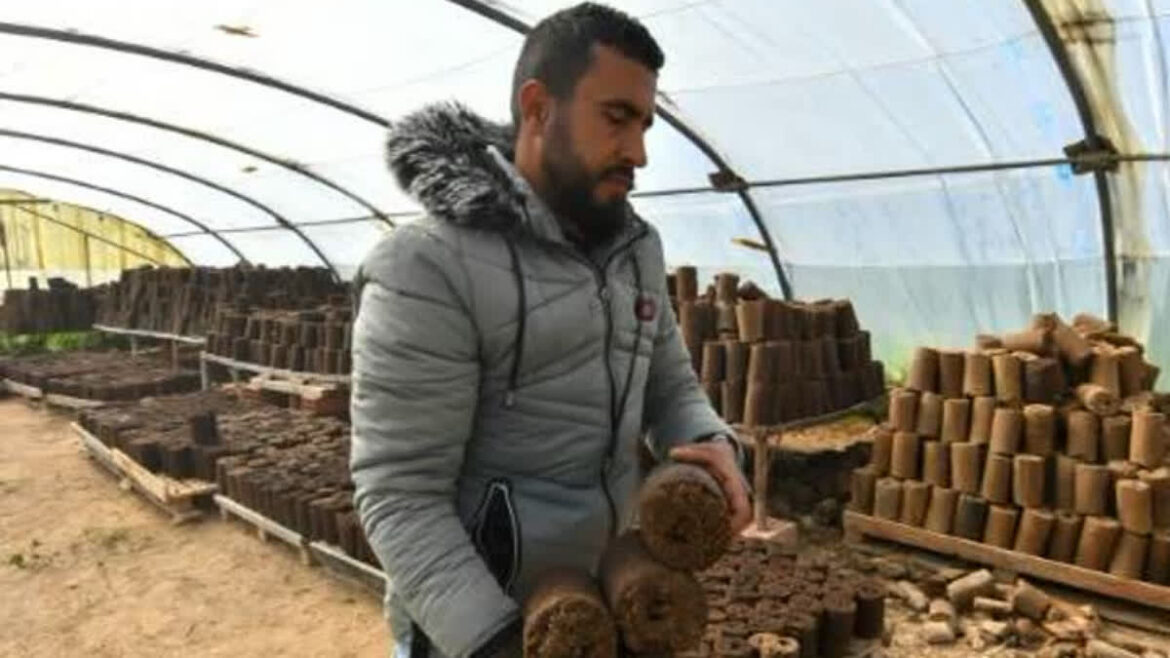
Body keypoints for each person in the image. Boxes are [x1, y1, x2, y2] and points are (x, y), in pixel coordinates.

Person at [350, 4, 751, 657]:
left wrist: (712, 444)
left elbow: (670, 386)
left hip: (603, 611)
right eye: (617, 117)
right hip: (479, 631)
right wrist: (497, 642)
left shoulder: (636, 250)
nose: (639, 152)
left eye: (644, 125)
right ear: (537, 109)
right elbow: (401, 494)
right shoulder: (428, 265)